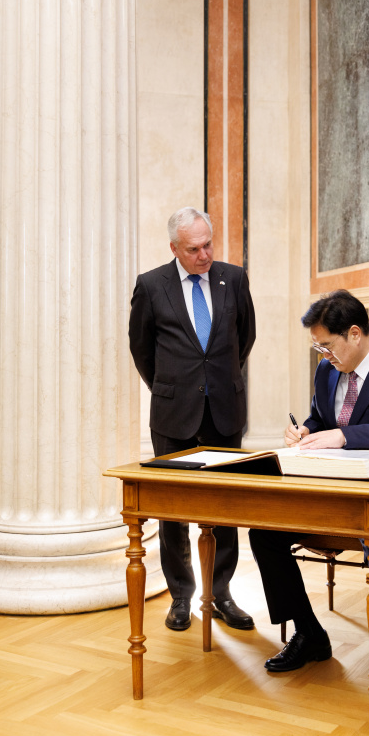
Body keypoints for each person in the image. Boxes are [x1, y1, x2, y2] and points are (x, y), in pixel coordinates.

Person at [249, 290, 369, 691]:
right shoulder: (328, 370)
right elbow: (320, 415)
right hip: (322, 491)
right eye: (317, 346)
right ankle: (309, 633)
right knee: (263, 534)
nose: (322, 355)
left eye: (326, 345)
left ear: (354, 333)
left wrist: (342, 437)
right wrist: (308, 430)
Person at [129, 207, 256, 632]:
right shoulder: (151, 286)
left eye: (208, 245)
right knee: (173, 512)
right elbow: (141, 350)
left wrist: (216, 381)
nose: (204, 255)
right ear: (174, 249)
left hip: (224, 410)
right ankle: (181, 596)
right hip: (173, 414)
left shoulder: (233, 279)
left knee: (225, 505)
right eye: (194, 249)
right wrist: (172, 387)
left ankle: (220, 593)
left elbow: (245, 337)